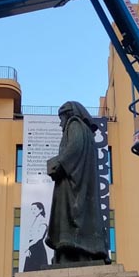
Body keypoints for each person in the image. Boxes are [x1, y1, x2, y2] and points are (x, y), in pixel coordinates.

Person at [46, 101, 110, 266]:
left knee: (69, 218)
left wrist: (57, 163)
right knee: (83, 218)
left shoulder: (74, 124)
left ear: (69, 114)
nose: (61, 124)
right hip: (81, 180)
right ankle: (80, 255)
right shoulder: (87, 132)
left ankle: (70, 254)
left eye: (61, 119)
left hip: (72, 183)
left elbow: (74, 148)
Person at [23, 201, 51, 271]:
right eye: (31, 209)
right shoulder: (35, 220)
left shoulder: (43, 221)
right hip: (32, 247)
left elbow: (39, 237)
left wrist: (27, 246)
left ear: (40, 209)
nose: (33, 211)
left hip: (38, 247)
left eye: (34, 209)